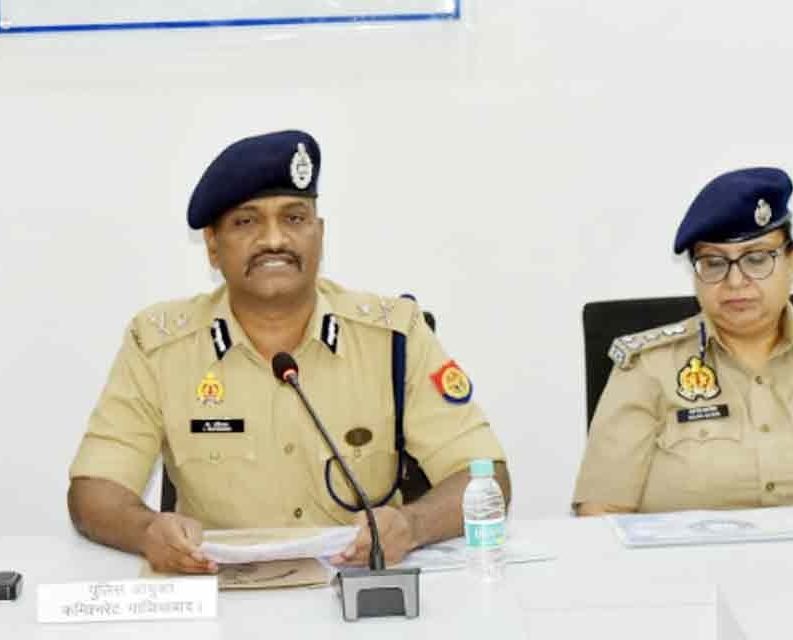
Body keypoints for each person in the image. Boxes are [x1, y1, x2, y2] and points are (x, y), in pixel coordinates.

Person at [68, 130, 509, 573]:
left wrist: (412, 525)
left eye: (294, 218)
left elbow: (485, 477)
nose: (274, 240)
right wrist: (147, 531)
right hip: (222, 592)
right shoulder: (158, 345)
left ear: (320, 234)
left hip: (358, 590)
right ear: (212, 245)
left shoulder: (394, 335)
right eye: (246, 222)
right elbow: (94, 492)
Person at [574, 167, 793, 515]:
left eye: (757, 259)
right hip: (687, 552)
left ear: (792, 259)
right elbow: (601, 513)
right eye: (714, 263)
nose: (735, 282)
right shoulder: (647, 367)